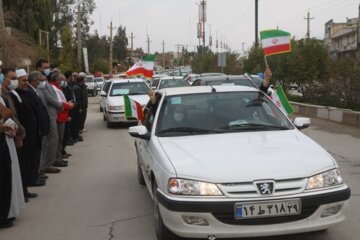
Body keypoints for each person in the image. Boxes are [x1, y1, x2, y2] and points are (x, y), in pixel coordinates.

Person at [11, 69, 43, 201]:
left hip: (30, 135)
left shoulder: (23, 93)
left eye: (26, 80)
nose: (26, 83)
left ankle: (25, 189)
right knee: (23, 165)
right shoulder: (13, 95)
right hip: (23, 137)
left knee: (27, 164)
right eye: (23, 81)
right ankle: (22, 192)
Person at [0, 68, 25, 228]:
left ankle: (7, 212)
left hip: (5, 141)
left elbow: (6, 114)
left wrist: (12, 127)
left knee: (8, 178)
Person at [38, 68, 67, 173]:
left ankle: (47, 164)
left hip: (52, 114)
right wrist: (61, 106)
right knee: (51, 141)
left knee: (53, 140)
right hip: (48, 116)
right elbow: (49, 99)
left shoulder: (47, 85)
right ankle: (46, 165)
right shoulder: (42, 86)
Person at [24, 71, 51, 186]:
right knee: (35, 155)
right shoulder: (29, 92)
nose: (41, 82)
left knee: (38, 154)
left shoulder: (34, 91)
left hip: (40, 127)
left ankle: (36, 175)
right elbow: (35, 112)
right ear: (34, 80)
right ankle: (33, 178)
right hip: (36, 128)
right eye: (39, 80)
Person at [49, 72, 74, 167]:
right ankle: (57, 159)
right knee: (58, 139)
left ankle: (59, 157)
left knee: (60, 139)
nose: (62, 82)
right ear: (56, 80)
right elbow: (58, 103)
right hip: (59, 115)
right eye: (61, 80)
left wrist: (67, 103)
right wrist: (68, 105)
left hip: (63, 115)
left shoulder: (57, 87)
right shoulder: (54, 88)